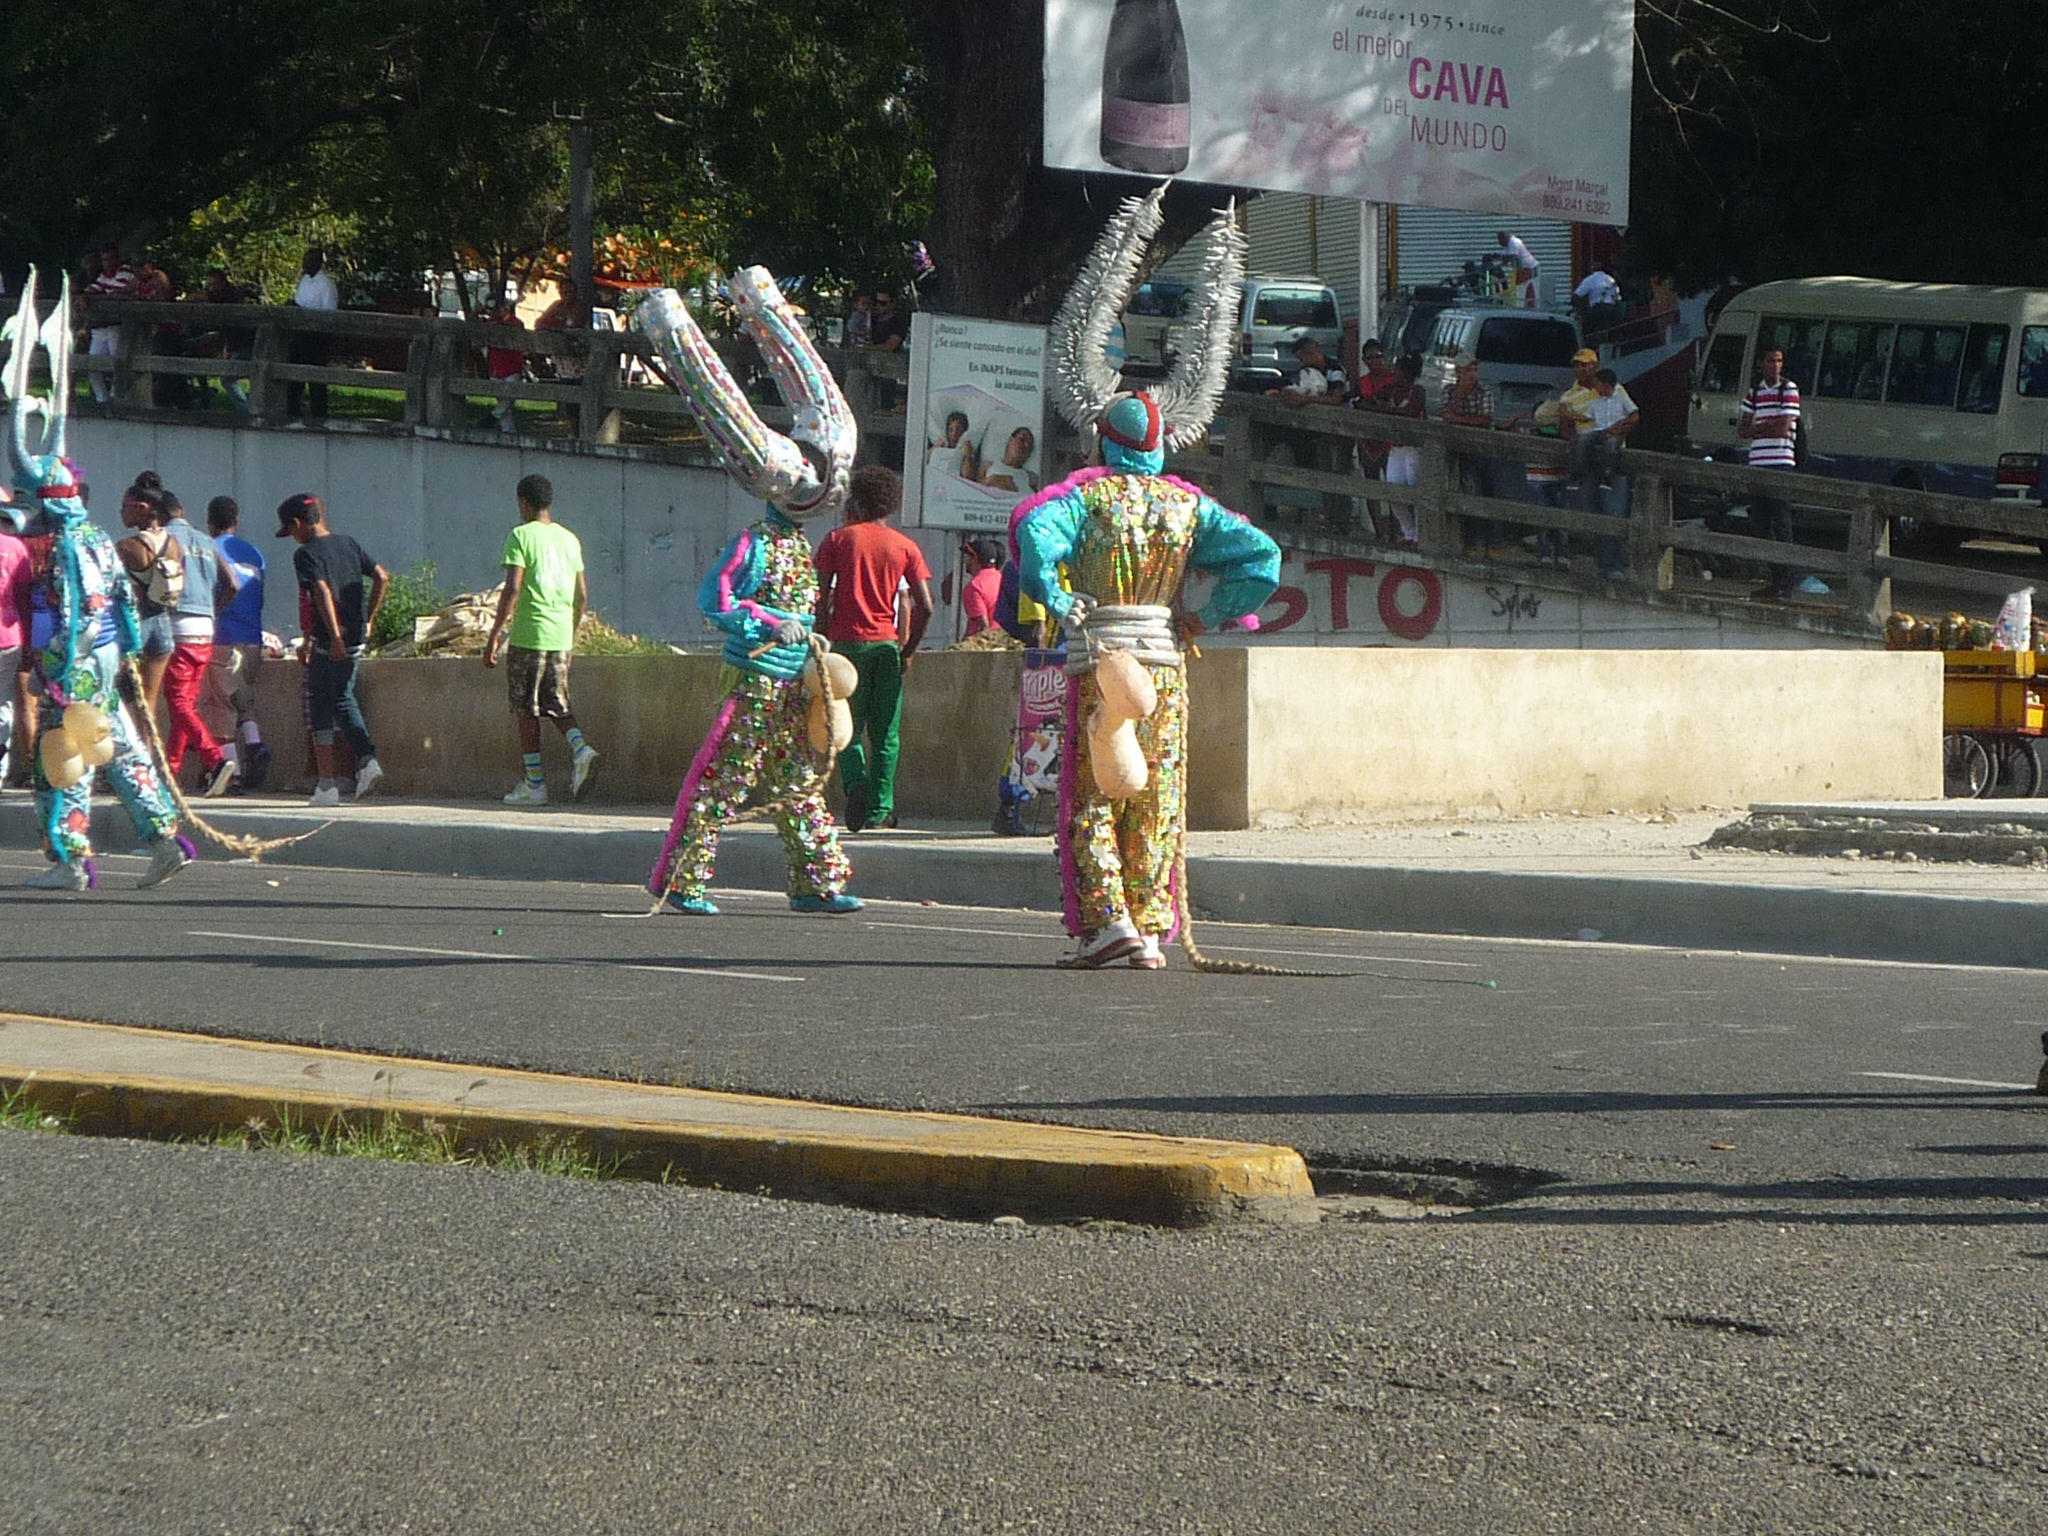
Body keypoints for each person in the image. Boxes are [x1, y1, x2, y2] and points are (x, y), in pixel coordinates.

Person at [1015, 390, 1281, 969]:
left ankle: (1108, 921)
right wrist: (1207, 615)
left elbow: (1035, 533)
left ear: (1103, 442)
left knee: (1095, 792)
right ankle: (1151, 928)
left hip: (1103, 657)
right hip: (1164, 659)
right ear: (1159, 447)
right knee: (1156, 794)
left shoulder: (1085, 497)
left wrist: (1058, 597)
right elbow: (1263, 557)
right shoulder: (1188, 507)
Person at [638, 264, 862, 918]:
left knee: (798, 783)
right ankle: (680, 879)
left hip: (792, 684)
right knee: (723, 778)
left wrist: (808, 634)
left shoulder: (795, 545)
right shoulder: (755, 542)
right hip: (757, 679)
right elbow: (717, 604)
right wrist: (770, 625)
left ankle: (815, 882)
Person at [5, 269, 191, 891]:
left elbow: (84, 607)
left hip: (80, 659)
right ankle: (164, 838)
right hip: (108, 656)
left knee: (64, 759)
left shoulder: (63, 547)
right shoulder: (94, 539)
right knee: (123, 747)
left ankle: (69, 858)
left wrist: (60, 654)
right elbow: (124, 605)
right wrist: (126, 650)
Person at [813, 466, 933, 833]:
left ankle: (855, 785)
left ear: (858, 500)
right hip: (886, 648)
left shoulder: (837, 540)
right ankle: (880, 810)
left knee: (845, 726)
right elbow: (926, 606)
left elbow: (821, 600)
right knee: (886, 735)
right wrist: (908, 650)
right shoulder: (905, 546)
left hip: (845, 646)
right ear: (890, 505)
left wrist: (820, 645)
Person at [483, 473, 600, 805]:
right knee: (557, 701)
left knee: (526, 709)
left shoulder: (520, 536)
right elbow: (582, 594)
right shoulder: (570, 539)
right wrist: (572, 634)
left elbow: (513, 587)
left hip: (529, 634)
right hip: (561, 634)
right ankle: (581, 749)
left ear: (523, 502)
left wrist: (494, 636)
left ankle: (535, 784)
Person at [278, 492, 387, 806]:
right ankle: (367, 760)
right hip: (356, 637)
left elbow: (321, 592)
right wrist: (368, 619)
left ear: (299, 523)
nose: (293, 538)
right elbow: (381, 577)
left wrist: (332, 637)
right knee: (342, 697)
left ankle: (326, 786)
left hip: (333, 642)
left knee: (319, 703)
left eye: (291, 531)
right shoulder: (348, 543)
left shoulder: (306, 555)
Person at [157, 488, 240, 795]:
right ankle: (170, 773)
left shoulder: (162, 538)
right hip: (205, 628)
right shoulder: (206, 541)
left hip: (177, 625)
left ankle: (214, 759)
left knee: (178, 702)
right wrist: (212, 610)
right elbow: (232, 584)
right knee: (185, 704)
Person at [1738, 345, 1823, 600]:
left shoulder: (1789, 389)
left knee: (1782, 521)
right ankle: (1776, 579)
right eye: (1770, 360)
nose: (1775, 365)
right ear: (1762, 363)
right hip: (1758, 462)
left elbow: (1784, 427)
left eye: (1779, 361)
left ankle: (1787, 581)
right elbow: (1742, 430)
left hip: (1781, 461)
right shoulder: (1754, 392)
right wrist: (1768, 426)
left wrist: (1760, 427)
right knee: (1761, 523)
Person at [201, 496, 272, 790]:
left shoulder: (209, 550)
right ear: (237, 520)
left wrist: (214, 613)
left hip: (224, 637)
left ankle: (233, 774)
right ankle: (255, 745)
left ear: (210, 522)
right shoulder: (255, 554)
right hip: (252, 637)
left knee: (222, 706)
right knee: (245, 701)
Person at [113, 477, 178, 712]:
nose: (121, 513)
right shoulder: (173, 543)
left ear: (141, 509)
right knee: (148, 705)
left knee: (119, 702)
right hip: (163, 623)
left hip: (135, 624)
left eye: (124, 507)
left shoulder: (126, 547)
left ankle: (129, 749)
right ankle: (150, 749)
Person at [1575, 369, 1640, 581]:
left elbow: (1634, 415)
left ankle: (1615, 565)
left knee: (1613, 516)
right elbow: (1585, 420)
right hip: (1598, 443)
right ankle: (1604, 565)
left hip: (1613, 442)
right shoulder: (1594, 401)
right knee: (1600, 516)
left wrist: (1622, 428)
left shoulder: (1620, 396)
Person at [1439, 352, 1502, 557]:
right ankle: (1472, 541)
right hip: (1462, 452)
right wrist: (1459, 394)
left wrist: (1459, 419)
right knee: (1470, 494)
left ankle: (1493, 544)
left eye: (1474, 369)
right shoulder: (1449, 391)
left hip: (1484, 450)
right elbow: (1446, 415)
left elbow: (1485, 419)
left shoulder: (1485, 391)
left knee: (1489, 493)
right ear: (1458, 372)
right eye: (1468, 370)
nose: (1473, 374)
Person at [1362, 353, 1427, 545]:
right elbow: (1366, 402)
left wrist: (1384, 409)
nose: (1393, 373)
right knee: (1393, 489)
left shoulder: (1417, 391)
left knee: (1415, 490)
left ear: (1406, 373)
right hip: (1396, 448)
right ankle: (1409, 532)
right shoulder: (1390, 390)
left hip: (1414, 447)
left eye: (1397, 370)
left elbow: (1412, 412)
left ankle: (1420, 534)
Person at [287, 247, 338, 420]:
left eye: (308, 261)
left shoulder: (326, 284)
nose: (304, 264)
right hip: (300, 334)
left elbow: (329, 312)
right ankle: (293, 410)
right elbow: (300, 302)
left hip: (316, 337)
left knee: (316, 376)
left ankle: (319, 413)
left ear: (318, 262)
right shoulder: (304, 280)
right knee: (295, 374)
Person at [535, 277, 587, 433]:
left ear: (575, 292)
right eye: (563, 291)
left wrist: (557, 324)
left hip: (580, 362)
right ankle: (575, 431)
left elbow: (574, 325)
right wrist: (557, 324)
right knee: (569, 400)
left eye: (570, 291)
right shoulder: (557, 306)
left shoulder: (580, 307)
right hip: (563, 363)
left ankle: (584, 431)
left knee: (581, 397)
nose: (567, 295)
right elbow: (540, 323)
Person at [86, 245, 136, 404]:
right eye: (104, 260)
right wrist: (88, 295)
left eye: (109, 259)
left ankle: (119, 398)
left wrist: (98, 297)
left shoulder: (125, 272)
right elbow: (91, 290)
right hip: (101, 327)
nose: (106, 263)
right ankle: (102, 399)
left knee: (118, 364)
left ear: (117, 259)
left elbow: (117, 294)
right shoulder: (103, 276)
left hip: (117, 326)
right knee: (92, 364)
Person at [961, 538, 1004, 637]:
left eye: (968, 556)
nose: (965, 560)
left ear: (975, 559)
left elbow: (982, 628)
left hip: (987, 647)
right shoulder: (1002, 579)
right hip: (1006, 642)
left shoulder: (974, 587)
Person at [978, 426, 1037, 495]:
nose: (1026, 445)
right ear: (1011, 440)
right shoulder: (988, 466)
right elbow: (974, 491)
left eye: (1029, 444)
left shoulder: (1032, 478)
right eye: (1022, 439)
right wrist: (991, 481)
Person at [1573, 262, 1624, 334]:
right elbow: (1618, 298)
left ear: (1592, 269)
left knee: (1590, 331)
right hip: (1612, 310)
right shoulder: (1611, 279)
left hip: (1597, 310)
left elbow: (1577, 295)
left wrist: (1579, 310)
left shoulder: (1590, 279)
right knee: (1611, 332)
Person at [926, 410, 976, 481]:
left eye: (959, 430)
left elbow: (968, 477)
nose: (954, 434)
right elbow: (920, 462)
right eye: (950, 430)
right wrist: (935, 447)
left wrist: (967, 456)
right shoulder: (938, 448)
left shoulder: (966, 452)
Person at [1496, 231, 1539, 307]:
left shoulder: (1514, 242)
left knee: (1527, 288)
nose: (1499, 243)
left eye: (1500, 240)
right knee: (1522, 288)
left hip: (1529, 268)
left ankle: (1529, 305)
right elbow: (1505, 257)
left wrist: (1504, 260)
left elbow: (1513, 256)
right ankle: (1525, 304)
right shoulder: (1509, 245)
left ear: (1504, 238)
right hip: (1523, 270)